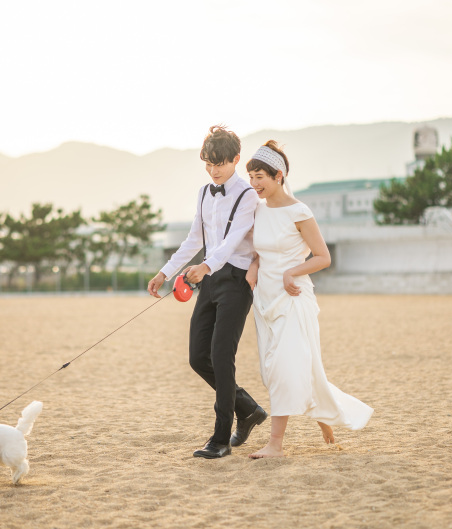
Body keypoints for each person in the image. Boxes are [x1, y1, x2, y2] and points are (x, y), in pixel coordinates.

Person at [244, 140, 373, 459]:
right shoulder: (257, 210)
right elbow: (261, 252)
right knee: (275, 369)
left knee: (286, 367)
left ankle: (275, 444)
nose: (254, 183)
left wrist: (292, 273)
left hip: (294, 297)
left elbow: (323, 257)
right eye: (251, 176)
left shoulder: (300, 212)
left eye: (260, 176)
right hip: (265, 299)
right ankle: (324, 414)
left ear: (279, 176)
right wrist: (254, 266)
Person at [147, 125, 268, 459]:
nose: (214, 171)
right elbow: (194, 239)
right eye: (208, 165)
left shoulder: (247, 195)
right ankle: (248, 409)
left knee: (221, 356)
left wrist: (205, 267)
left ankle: (219, 439)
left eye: (220, 164)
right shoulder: (204, 192)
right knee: (198, 357)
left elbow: (231, 243)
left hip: (237, 281)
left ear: (235, 160)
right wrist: (165, 271)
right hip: (210, 280)